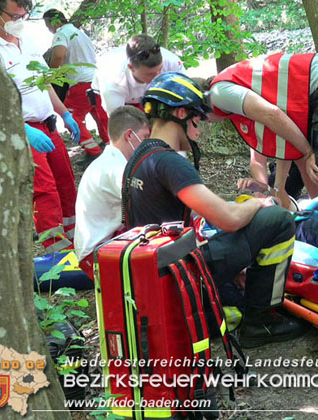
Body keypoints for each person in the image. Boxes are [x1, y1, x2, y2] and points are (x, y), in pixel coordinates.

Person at [123, 72, 307, 348]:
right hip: (178, 274)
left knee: (232, 300)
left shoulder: (139, 158)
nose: (199, 129)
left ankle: (227, 308)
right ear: (181, 113)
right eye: (197, 119)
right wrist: (259, 202)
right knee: (276, 219)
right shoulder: (170, 162)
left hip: (158, 276)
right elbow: (229, 219)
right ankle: (262, 322)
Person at [0, 0, 81, 253]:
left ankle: (75, 240)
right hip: (22, 130)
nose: (20, 22)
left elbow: (45, 82)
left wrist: (64, 113)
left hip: (48, 125)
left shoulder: (27, 42)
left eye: (24, 16)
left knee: (65, 181)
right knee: (44, 188)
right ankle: (56, 250)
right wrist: (22, 130)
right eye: (15, 16)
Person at [205, 52, 318, 202]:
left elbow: (273, 115)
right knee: (308, 166)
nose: (207, 123)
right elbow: (285, 142)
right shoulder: (235, 101)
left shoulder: (217, 94)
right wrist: (277, 188)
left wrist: (308, 152)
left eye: (200, 118)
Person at [74, 106, 150, 279]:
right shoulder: (117, 169)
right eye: (145, 137)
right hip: (97, 255)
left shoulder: (109, 161)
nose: (146, 142)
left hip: (97, 247)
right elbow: (148, 203)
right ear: (129, 135)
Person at [43, 9, 110, 158]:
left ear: (54, 22)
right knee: (99, 114)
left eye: (48, 25)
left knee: (71, 117)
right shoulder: (79, 33)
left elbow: (59, 56)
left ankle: (94, 152)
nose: (49, 29)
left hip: (80, 82)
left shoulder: (61, 33)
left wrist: (52, 74)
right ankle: (109, 144)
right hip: (95, 78)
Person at [91, 34, 186, 115]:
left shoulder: (172, 63)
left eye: (160, 69)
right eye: (150, 74)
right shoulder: (113, 80)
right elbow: (118, 124)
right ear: (131, 68)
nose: (158, 77)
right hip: (113, 96)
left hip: (146, 96)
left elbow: (184, 96)